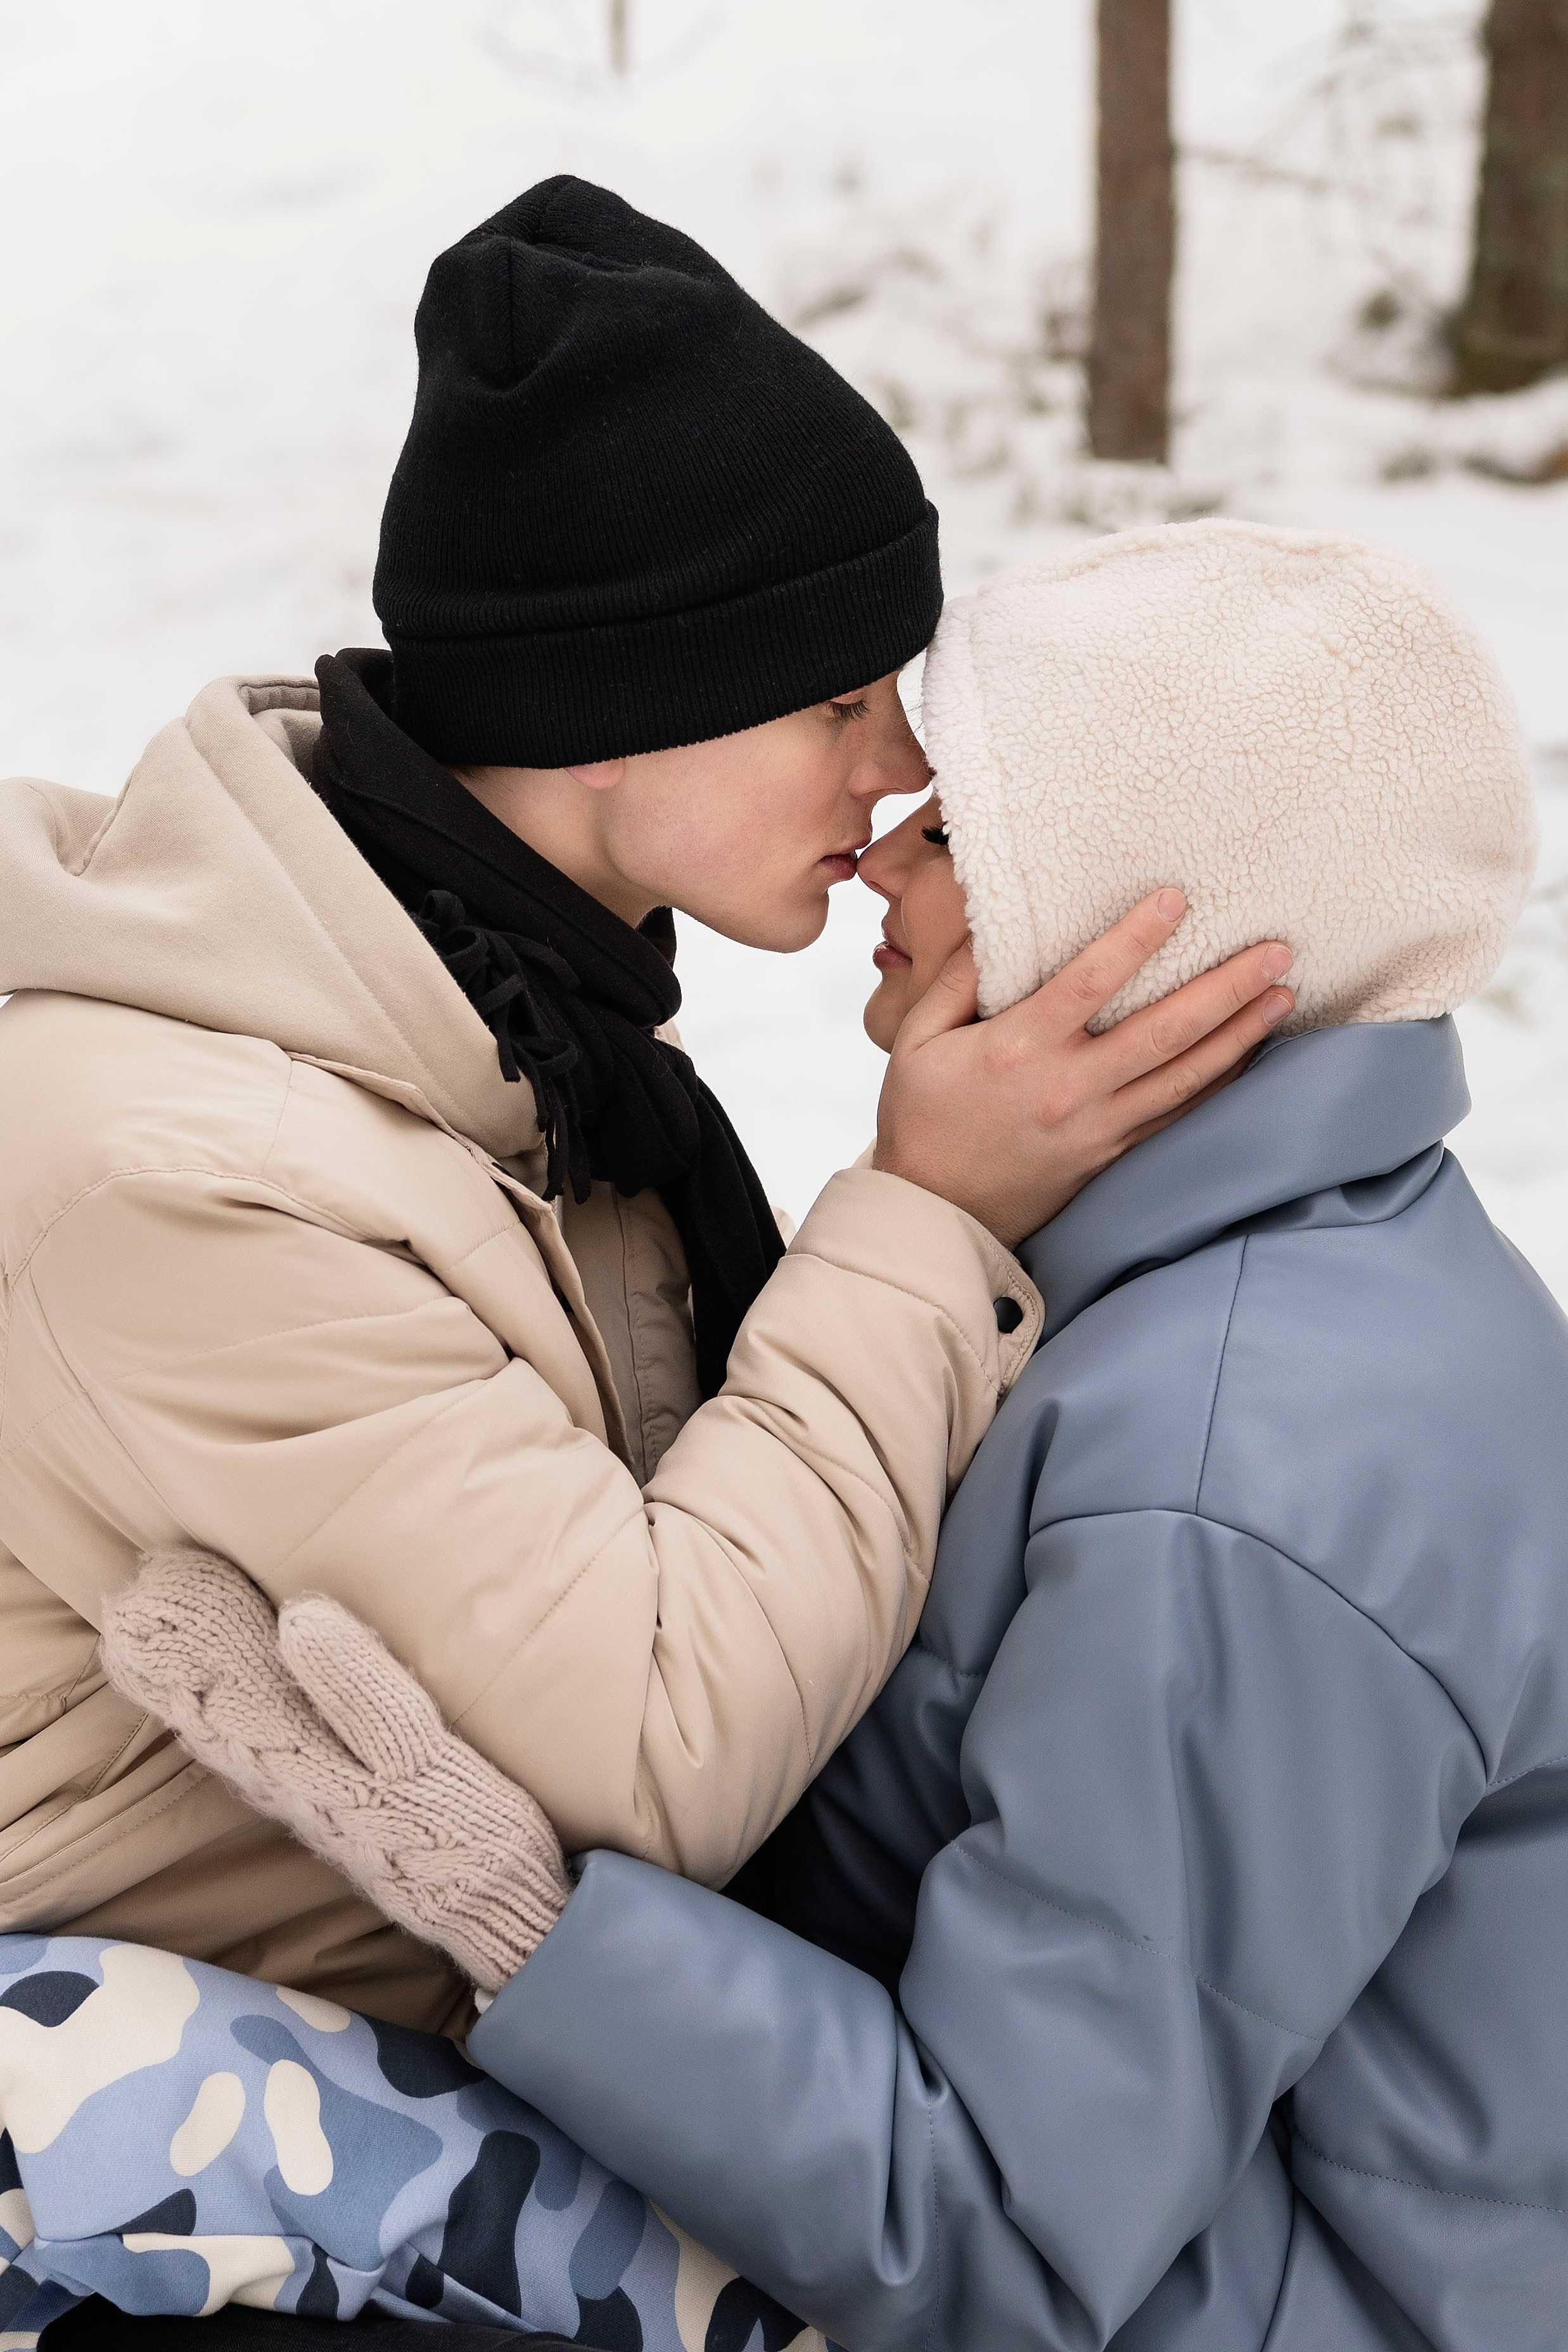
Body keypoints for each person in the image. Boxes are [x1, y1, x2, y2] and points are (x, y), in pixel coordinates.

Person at [0, 179, 1286, 2347]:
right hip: (156, 2119)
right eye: (839, 708)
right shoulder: (180, 1178)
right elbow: (659, 1748)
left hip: (421, 2018)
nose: (894, 791)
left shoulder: (505, 1036)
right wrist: (933, 1217)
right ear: (625, 708)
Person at [92, 520, 1558, 2352]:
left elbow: (1006, 2240)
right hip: (1120, 2249)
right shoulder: (1201, 1273)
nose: (875, 854)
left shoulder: (1234, 1467)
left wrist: (535, 1920)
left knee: (77, 2097)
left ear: (1127, 920)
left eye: (950, 830)